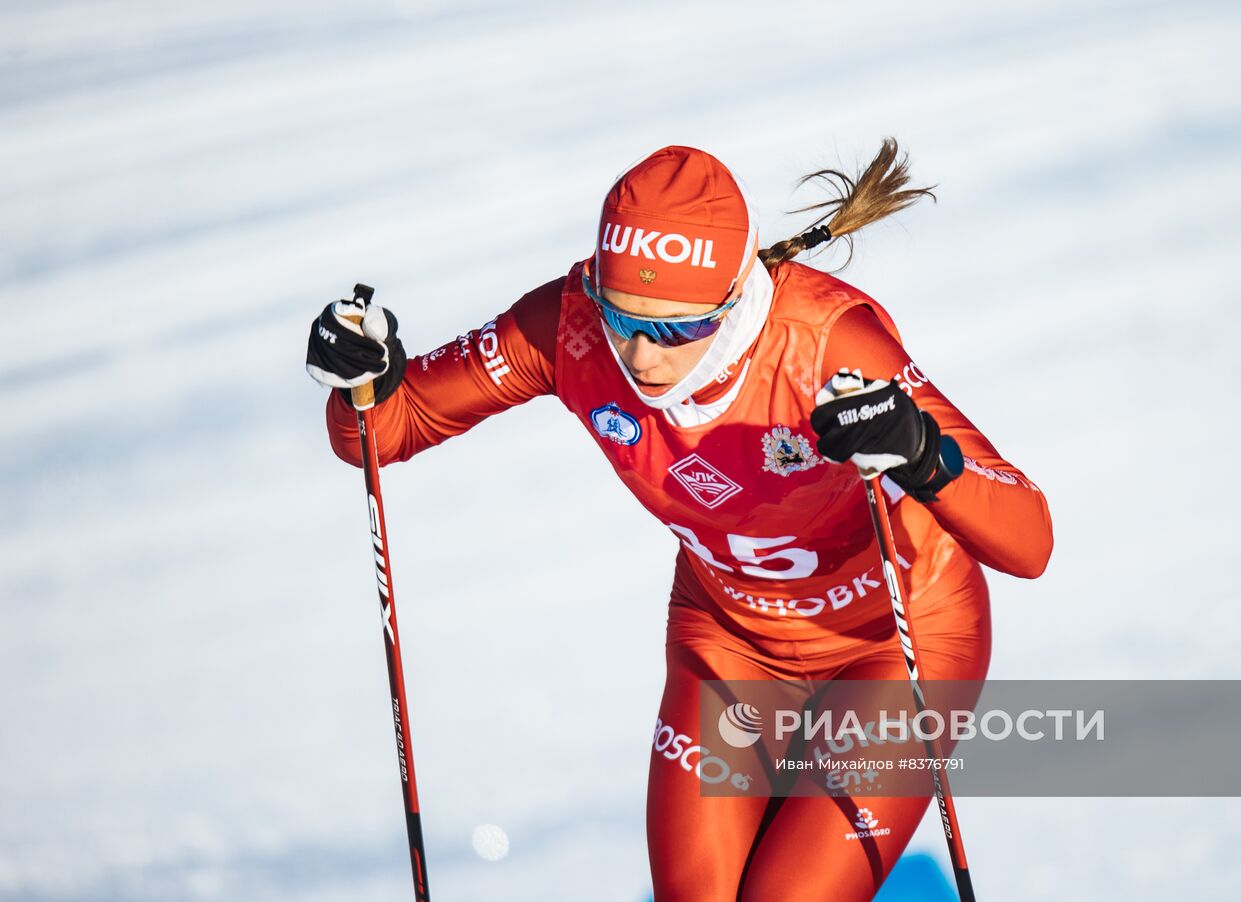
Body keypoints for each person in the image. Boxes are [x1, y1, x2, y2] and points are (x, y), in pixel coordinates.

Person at [306, 140, 1053, 901]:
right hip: (729, 641)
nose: (640, 355)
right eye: (621, 317)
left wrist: (921, 454)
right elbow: (384, 432)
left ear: (733, 300)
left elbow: (1030, 541)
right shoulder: (568, 327)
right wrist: (360, 378)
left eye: (677, 330)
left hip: (896, 647)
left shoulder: (825, 345)